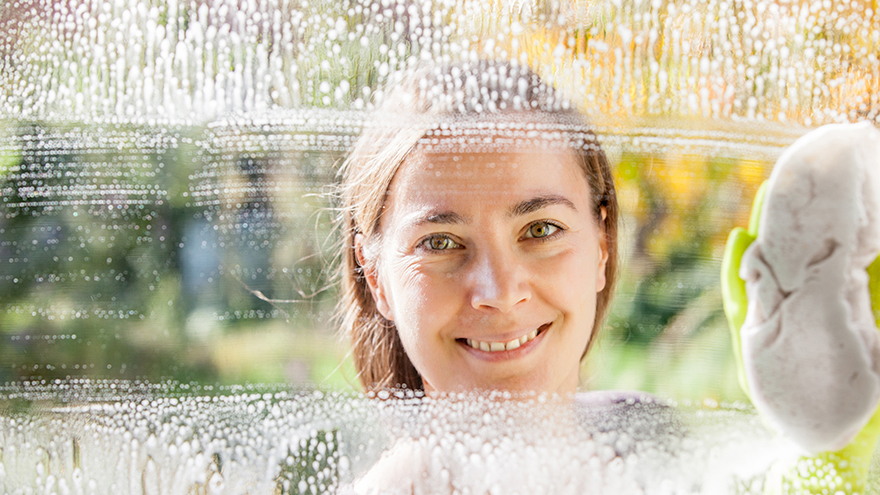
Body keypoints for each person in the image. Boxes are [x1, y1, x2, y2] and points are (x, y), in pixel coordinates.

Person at [336, 59, 618, 397]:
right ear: (375, 277)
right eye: (439, 243)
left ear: (602, 246)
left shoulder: (666, 438)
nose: (501, 294)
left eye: (541, 229)